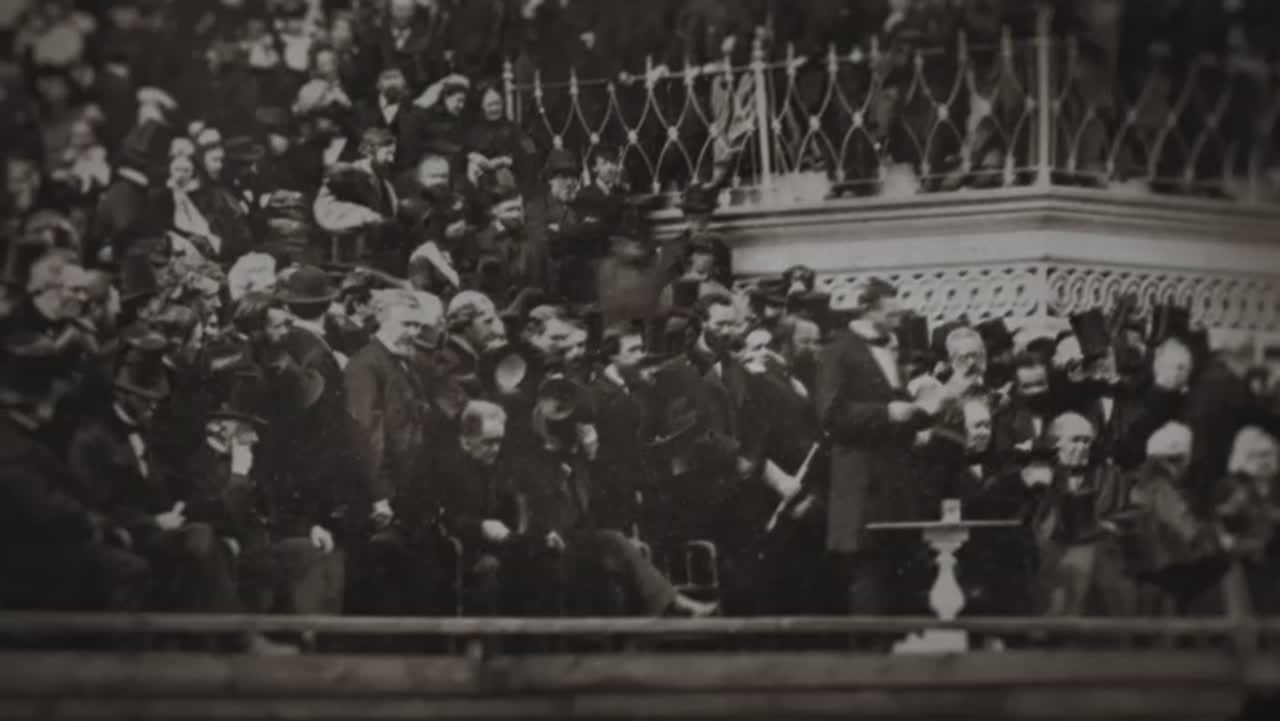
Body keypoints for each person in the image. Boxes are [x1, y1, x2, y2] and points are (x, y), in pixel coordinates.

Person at [816, 278, 934, 619]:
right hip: (862, 490)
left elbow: (894, 409)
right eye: (890, 314)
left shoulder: (893, 349)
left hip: (895, 489)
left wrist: (922, 415)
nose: (898, 321)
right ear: (868, 311)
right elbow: (831, 415)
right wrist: (887, 413)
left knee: (897, 583)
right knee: (868, 583)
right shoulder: (839, 351)